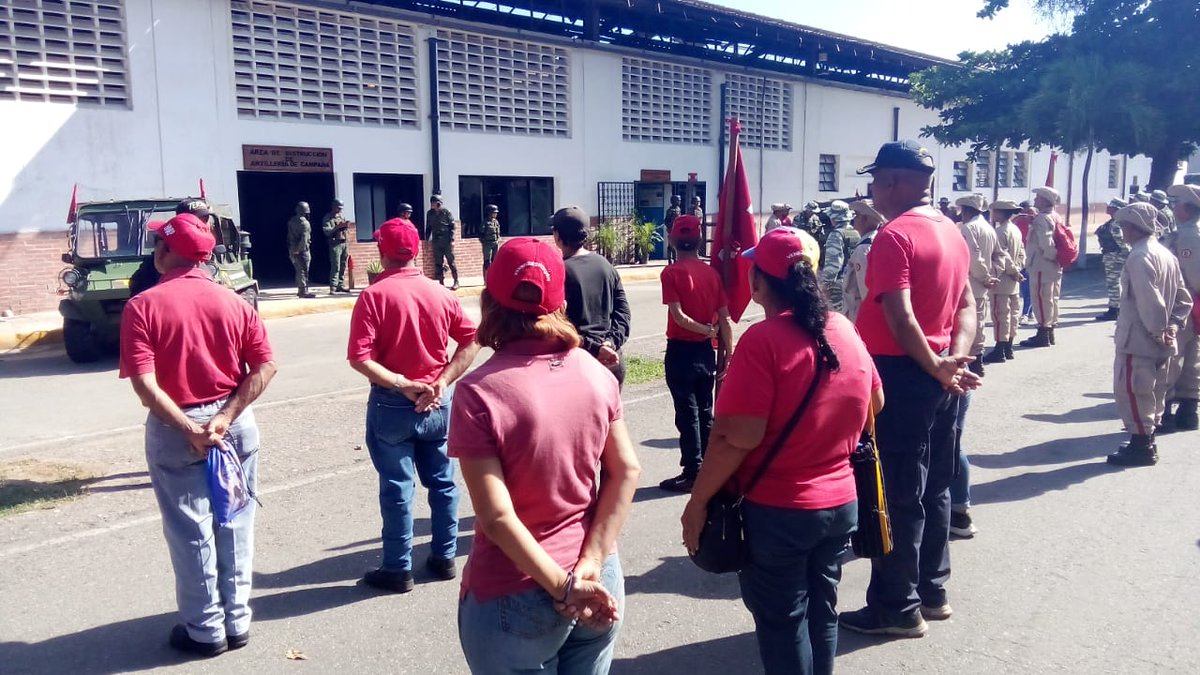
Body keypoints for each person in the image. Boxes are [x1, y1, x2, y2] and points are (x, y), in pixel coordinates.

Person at [680, 227, 880, 674]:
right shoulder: (843, 328)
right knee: (820, 611)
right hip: (841, 502)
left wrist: (698, 502)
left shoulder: (763, 341)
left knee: (783, 620)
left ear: (757, 282)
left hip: (780, 511)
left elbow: (736, 437)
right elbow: (875, 403)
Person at [451, 237, 641, 675]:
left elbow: (498, 518)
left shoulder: (480, 390)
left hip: (516, 591)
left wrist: (563, 586)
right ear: (560, 301)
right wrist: (588, 566)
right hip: (597, 575)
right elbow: (625, 469)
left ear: (488, 299)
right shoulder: (597, 373)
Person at [119, 213, 277, 657]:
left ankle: (205, 630)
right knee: (236, 522)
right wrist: (226, 416)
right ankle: (237, 620)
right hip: (233, 425)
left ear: (167, 253)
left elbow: (147, 387)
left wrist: (191, 429)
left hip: (178, 428)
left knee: (191, 530)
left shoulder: (143, 306)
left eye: (159, 245)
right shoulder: (235, 302)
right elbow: (266, 366)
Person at [840, 140, 979, 638]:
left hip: (903, 372)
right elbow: (967, 306)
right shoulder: (952, 230)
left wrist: (938, 364)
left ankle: (897, 607)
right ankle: (932, 590)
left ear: (895, 182)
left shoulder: (894, 236)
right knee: (936, 484)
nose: (873, 188)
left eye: (876, 179)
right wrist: (952, 359)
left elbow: (898, 314)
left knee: (897, 490)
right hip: (939, 374)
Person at [346, 217, 481, 593]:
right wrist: (442, 381)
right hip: (438, 401)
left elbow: (359, 358)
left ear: (382, 252)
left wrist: (403, 384)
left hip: (393, 403)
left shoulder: (374, 296)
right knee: (442, 482)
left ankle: (398, 567)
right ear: (418, 251)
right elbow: (473, 340)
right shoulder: (440, 292)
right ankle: (444, 556)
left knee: (397, 486)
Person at [1107, 203, 1193, 466]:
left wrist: (1159, 331)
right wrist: (1174, 327)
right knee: (1154, 390)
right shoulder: (1165, 254)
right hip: (1163, 336)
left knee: (1133, 389)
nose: (1122, 232)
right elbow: (1184, 298)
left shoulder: (1139, 256)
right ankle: (1147, 438)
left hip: (1140, 337)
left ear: (1134, 228)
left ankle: (1141, 445)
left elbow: (1149, 300)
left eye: (1124, 227)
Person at [657, 214, 734, 493]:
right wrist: (728, 353)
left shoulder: (671, 273)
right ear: (699, 240)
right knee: (705, 410)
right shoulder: (712, 273)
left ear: (673, 240)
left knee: (687, 413)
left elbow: (677, 316)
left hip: (682, 350)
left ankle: (693, 470)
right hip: (705, 353)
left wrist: (705, 331)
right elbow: (725, 318)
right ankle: (707, 467)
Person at [551, 206, 633, 386]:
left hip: (579, 362)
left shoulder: (559, 272)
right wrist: (609, 343)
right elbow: (623, 314)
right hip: (612, 361)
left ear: (557, 236)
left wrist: (595, 348)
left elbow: (554, 324)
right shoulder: (606, 265)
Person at [1160, 184, 1200, 433]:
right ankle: (1188, 411)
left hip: (1184, 302)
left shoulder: (1189, 235)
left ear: (1188, 208)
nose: (1174, 208)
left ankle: (1163, 414)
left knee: (1171, 357)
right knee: (1192, 358)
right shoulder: (1188, 232)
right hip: (1192, 304)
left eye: (1178, 204)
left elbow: (1194, 275)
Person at [956, 194, 1003, 375]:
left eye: (962, 210)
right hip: (982, 282)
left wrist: (985, 276)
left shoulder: (969, 228)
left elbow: (974, 258)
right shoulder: (989, 228)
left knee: (968, 322)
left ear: (967, 210)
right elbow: (999, 255)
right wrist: (994, 274)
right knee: (979, 321)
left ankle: (973, 362)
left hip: (971, 281)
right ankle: (978, 359)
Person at [1019, 186, 1064, 348]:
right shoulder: (1056, 216)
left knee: (1041, 297)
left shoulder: (1042, 219)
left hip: (1041, 264)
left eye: (1038, 197)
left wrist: (1050, 257)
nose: (1035, 200)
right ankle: (1050, 330)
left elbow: (1046, 243)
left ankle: (1043, 332)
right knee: (1052, 297)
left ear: (1045, 200)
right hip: (1053, 265)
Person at [983, 200, 1026, 364]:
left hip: (1002, 278)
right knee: (1012, 314)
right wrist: (1019, 270)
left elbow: (1003, 256)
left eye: (994, 211)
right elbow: (1022, 252)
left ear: (1000, 213)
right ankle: (1008, 347)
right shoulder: (1015, 229)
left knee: (1000, 315)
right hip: (1013, 280)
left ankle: (1000, 349)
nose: (992, 214)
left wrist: (1014, 272)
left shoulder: (1000, 231)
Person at [841, 199, 884, 322]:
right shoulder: (871, 241)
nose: (854, 218)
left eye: (857, 215)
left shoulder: (864, 248)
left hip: (859, 313)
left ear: (865, 219)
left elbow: (866, 289)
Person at [820, 200, 860, 314]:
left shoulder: (836, 234)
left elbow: (833, 264)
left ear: (834, 218)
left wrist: (824, 283)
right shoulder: (857, 231)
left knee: (837, 316)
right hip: (856, 278)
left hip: (839, 284)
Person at [1095, 198, 1131, 321]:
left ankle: (1114, 310)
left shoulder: (1116, 223)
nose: (1108, 207)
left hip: (1115, 257)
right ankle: (1116, 308)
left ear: (1116, 209)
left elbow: (1122, 243)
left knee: (1114, 283)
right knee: (1115, 283)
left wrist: (1123, 257)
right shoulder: (1116, 221)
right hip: (1114, 256)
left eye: (1111, 206)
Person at [427, 194, 460, 290]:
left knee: (451, 262)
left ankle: (456, 281)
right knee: (438, 263)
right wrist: (426, 240)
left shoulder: (446, 212)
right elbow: (428, 227)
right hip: (436, 241)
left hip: (447, 241)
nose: (433, 205)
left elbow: (452, 227)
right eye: (432, 203)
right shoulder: (430, 213)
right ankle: (441, 283)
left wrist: (452, 240)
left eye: (435, 203)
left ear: (439, 203)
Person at [1013, 201, 1036, 324]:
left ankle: (1026, 313)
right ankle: (1030, 312)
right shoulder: (1017, 222)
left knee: (1028, 288)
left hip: (1031, 260)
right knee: (1023, 288)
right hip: (1019, 258)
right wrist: (1018, 217)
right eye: (1023, 211)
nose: (1027, 214)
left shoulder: (1037, 224)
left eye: (1029, 212)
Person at [287, 201, 316, 298]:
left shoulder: (291, 221)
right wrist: (299, 250)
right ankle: (303, 291)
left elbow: (289, 237)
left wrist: (293, 249)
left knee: (298, 270)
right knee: (303, 270)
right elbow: (304, 239)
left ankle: (301, 289)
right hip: (302, 250)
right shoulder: (305, 223)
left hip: (292, 248)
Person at [323, 199, 351, 294]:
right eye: (338, 208)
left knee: (343, 265)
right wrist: (337, 227)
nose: (340, 210)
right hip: (335, 244)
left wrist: (345, 226)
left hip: (344, 243)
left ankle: (340, 284)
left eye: (341, 208)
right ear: (333, 207)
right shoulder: (328, 218)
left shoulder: (341, 216)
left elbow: (344, 229)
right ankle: (333, 287)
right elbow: (327, 231)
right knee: (336, 266)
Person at [481, 204, 501, 274]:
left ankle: (494, 275)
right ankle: (486, 278)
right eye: (494, 213)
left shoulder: (496, 222)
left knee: (495, 260)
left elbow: (498, 232)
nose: (496, 214)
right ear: (490, 213)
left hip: (495, 243)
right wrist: (484, 242)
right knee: (487, 261)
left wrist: (498, 240)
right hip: (487, 243)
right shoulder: (485, 222)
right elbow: (481, 234)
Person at [664, 194, 683, 264]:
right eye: (678, 200)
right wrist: (670, 227)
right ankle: (669, 260)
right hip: (671, 230)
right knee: (670, 246)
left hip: (677, 230)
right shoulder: (670, 210)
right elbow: (666, 221)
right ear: (673, 201)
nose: (679, 201)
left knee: (676, 245)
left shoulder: (678, 209)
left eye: (680, 200)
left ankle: (675, 259)